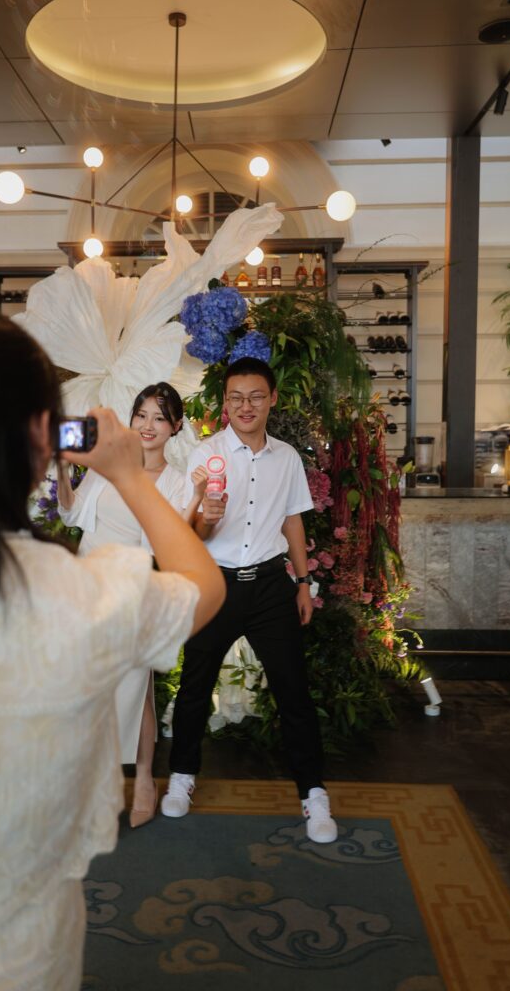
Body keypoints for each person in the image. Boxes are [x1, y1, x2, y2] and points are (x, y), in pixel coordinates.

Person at [0, 311, 224, 991]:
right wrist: (128, 475)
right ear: (43, 442)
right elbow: (202, 588)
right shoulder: (83, 600)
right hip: (23, 964)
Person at [161, 356, 338, 844]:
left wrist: (304, 583)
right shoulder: (205, 456)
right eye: (236, 397)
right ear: (225, 403)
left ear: (271, 399)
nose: (246, 405)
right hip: (214, 584)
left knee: (293, 691)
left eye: (255, 396)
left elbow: (293, 522)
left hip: (268, 586)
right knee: (195, 685)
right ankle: (181, 776)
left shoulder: (286, 458)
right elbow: (191, 535)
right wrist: (208, 515)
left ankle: (314, 794)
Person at [56, 383, 208, 828]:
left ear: (175, 427)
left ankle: (143, 778)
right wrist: (63, 470)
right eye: (141, 415)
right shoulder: (106, 468)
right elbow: (70, 514)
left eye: (159, 418)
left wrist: (197, 498)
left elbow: (174, 539)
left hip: (136, 587)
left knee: (137, 689)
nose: (147, 425)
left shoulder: (179, 481)